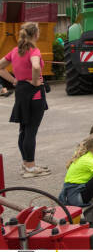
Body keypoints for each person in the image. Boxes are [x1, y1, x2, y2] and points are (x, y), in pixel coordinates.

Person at [0, 22, 50, 178]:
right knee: (31, 130)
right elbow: (36, 67)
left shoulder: (15, 51)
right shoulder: (34, 51)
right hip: (34, 94)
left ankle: (26, 164)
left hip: (21, 92)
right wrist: (35, 81)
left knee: (23, 129)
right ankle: (30, 167)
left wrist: (14, 81)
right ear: (35, 34)